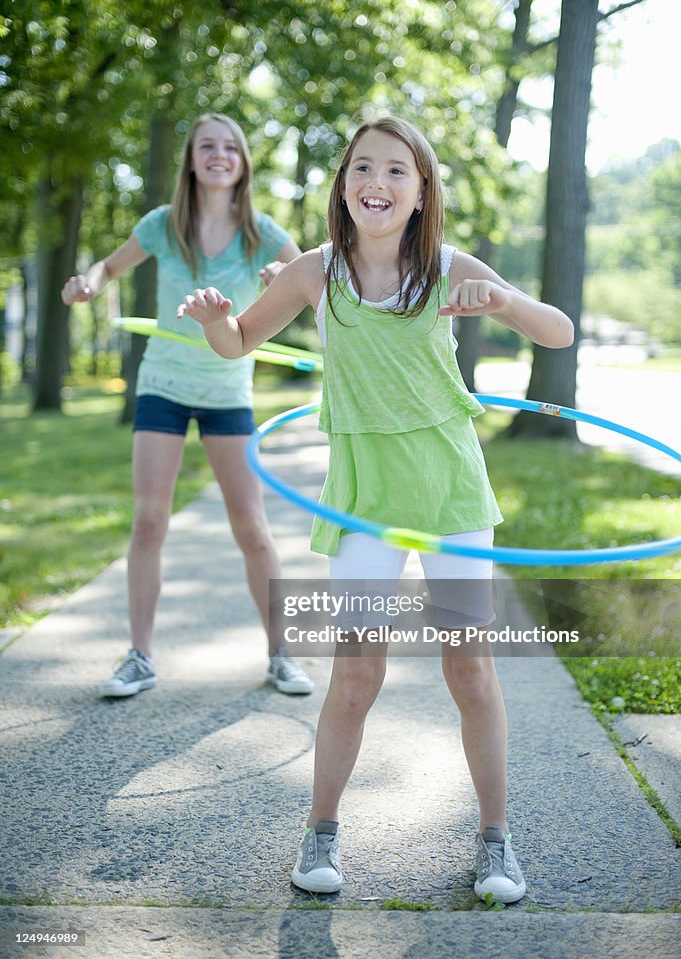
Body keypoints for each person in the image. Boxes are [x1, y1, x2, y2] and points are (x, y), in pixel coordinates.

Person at [177, 116, 574, 903]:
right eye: (363, 168)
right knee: (356, 673)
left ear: (422, 192)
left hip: (450, 493)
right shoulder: (315, 272)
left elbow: (556, 333)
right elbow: (237, 345)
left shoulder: (448, 267)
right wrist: (216, 319)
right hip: (361, 499)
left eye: (397, 171)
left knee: (469, 669)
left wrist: (499, 303)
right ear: (343, 187)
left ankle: (495, 842)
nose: (377, 183)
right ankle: (320, 833)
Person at [61, 113, 314, 699]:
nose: (219, 154)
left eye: (230, 146)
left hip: (228, 392)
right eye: (207, 146)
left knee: (251, 526)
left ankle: (282, 653)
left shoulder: (262, 232)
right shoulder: (163, 225)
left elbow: (305, 279)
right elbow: (108, 266)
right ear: (192, 160)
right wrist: (89, 284)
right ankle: (140, 656)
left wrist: (280, 272)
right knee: (149, 522)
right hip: (164, 387)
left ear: (244, 161)